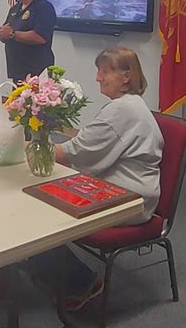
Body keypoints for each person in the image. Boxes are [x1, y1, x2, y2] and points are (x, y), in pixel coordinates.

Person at [27, 47, 164, 310]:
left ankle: (82, 283)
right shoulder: (127, 106)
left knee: (40, 210)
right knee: (40, 197)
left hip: (130, 198)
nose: (98, 78)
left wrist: (31, 147)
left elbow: (74, 153)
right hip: (124, 187)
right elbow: (85, 151)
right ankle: (44, 269)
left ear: (126, 77)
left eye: (105, 72)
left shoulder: (122, 111)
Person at [0, 0, 56, 83]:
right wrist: (2, 34)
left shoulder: (44, 8)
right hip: (17, 72)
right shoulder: (15, 9)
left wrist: (12, 34)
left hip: (36, 73)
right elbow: (6, 30)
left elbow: (40, 37)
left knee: (34, 100)